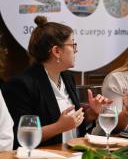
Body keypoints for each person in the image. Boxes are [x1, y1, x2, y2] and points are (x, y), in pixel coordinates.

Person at [2, 16, 110, 149]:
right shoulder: (21, 85)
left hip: (73, 153)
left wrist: (91, 114)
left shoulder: (67, 77)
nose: (76, 50)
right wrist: (58, 127)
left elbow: (72, 125)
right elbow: (19, 136)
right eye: (72, 45)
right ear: (56, 51)